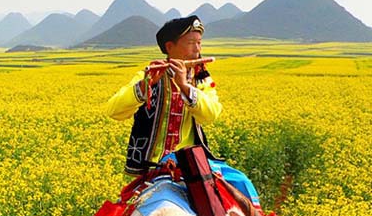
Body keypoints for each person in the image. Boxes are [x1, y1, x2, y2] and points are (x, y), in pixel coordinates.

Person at [104, 15, 260, 206]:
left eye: (199, 43)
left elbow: (211, 114)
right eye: (191, 43)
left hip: (193, 162)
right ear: (170, 47)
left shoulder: (201, 79)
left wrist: (185, 87)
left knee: (242, 183)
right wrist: (145, 86)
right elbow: (114, 111)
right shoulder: (148, 76)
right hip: (155, 165)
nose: (197, 50)